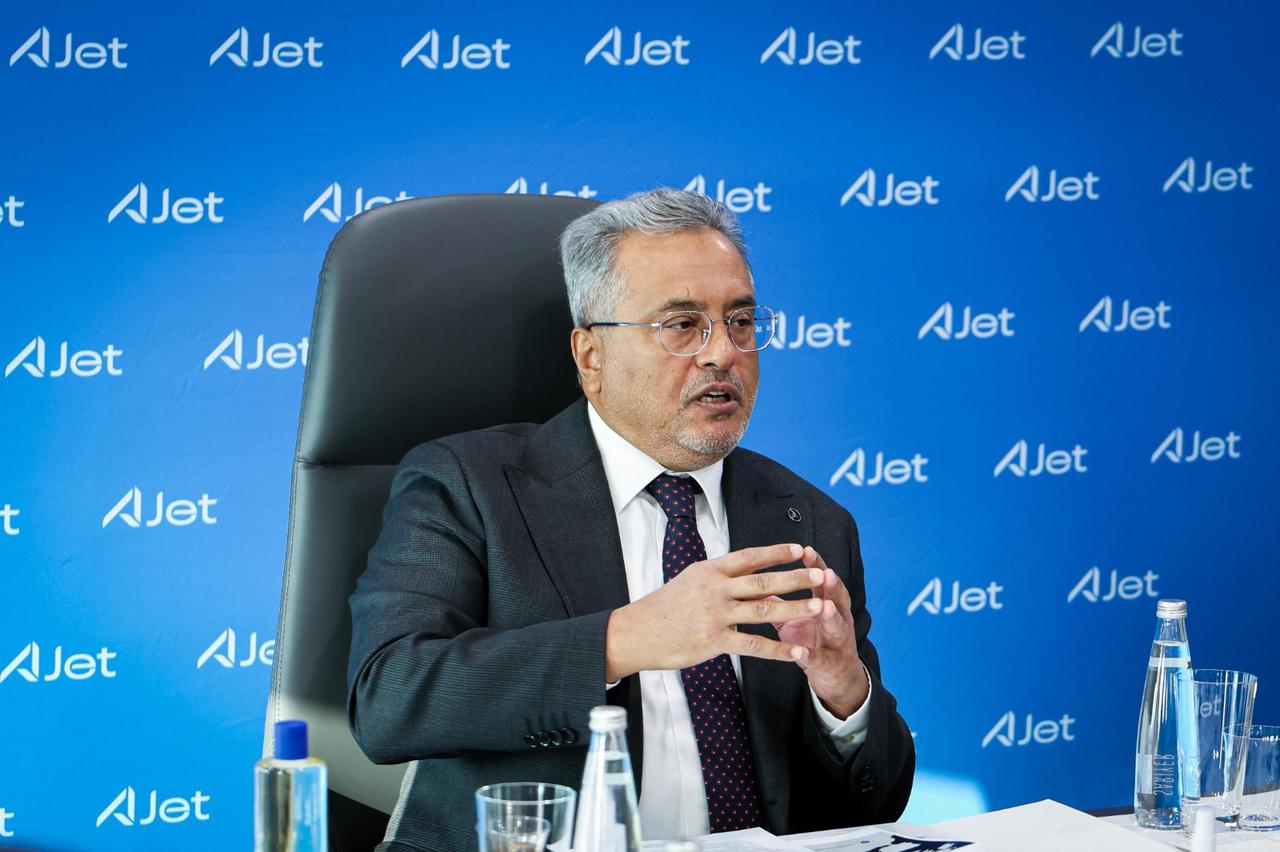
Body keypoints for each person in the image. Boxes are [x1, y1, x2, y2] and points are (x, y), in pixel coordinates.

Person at [348, 188, 914, 851]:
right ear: (591, 357)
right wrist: (628, 637)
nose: (722, 354)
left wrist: (843, 693)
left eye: (739, 321)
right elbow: (389, 699)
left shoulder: (811, 520)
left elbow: (875, 803)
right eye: (681, 324)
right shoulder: (466, 485)